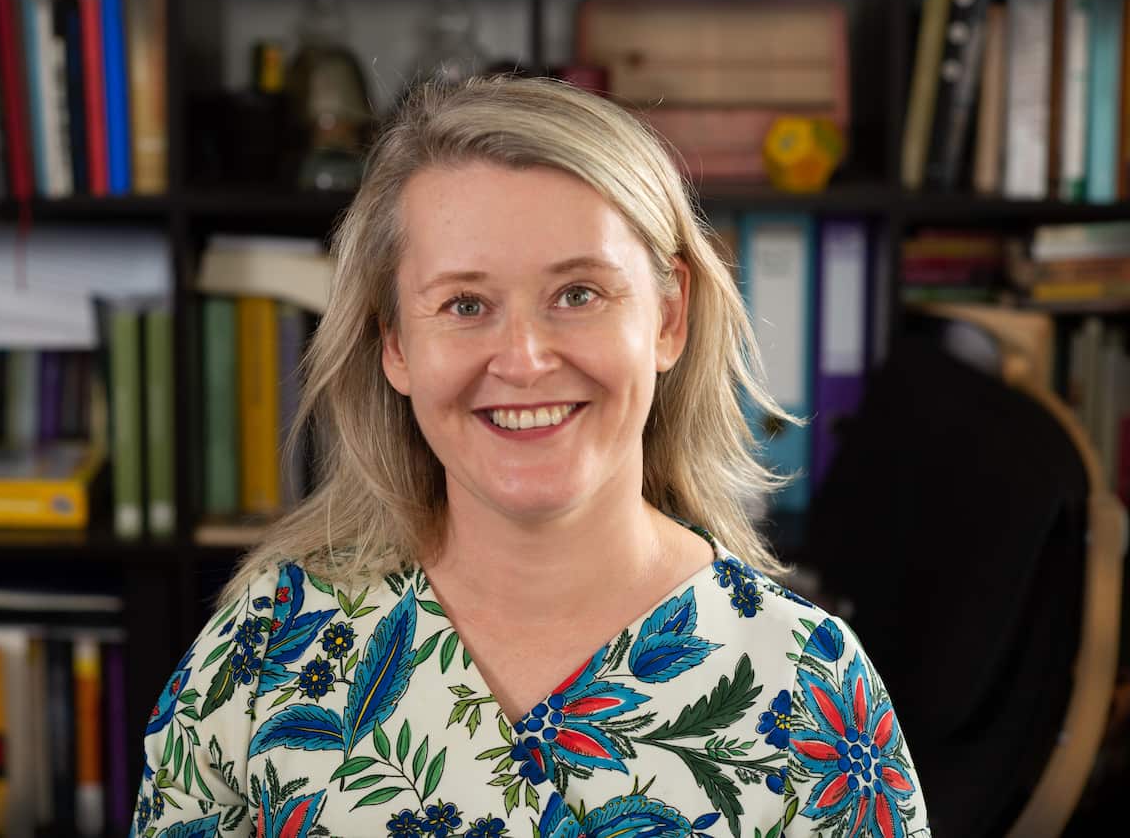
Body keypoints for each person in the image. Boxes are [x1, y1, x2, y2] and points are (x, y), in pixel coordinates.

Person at [130, 76, 929, 838]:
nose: (523, 360)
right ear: (395, 345)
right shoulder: (267, 649)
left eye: (578, 294)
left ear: (668, 317)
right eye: (465, 304)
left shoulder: (812, 685)